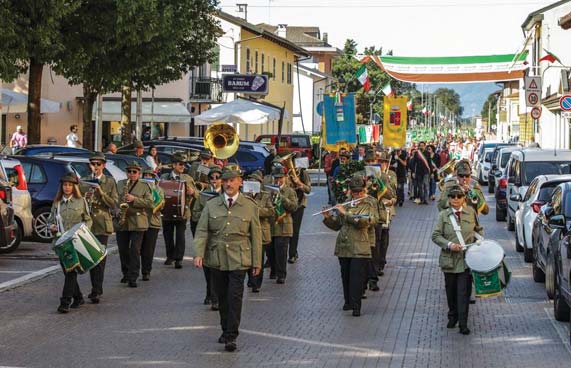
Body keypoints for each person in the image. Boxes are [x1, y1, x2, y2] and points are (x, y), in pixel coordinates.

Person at [193, 164, 262, 352]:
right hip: (217, 257)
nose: (228, 184)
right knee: (222, 298)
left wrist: (257, 262)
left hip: (240, 258)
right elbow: (202, 231)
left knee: (235, 297)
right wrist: (199, 253)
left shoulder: (249, 206)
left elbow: (256, 236)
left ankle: (232, 335)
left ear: (240, 182)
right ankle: (225, 329)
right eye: (225, 181)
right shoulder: (211, 205)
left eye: (232, 180)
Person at [432, 184, 483, 335]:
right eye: (452, 197)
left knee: (463, 292)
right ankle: (452, 314)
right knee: (451, 291)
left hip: (466, 260)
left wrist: (479, 241)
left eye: (459, 197)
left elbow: (478, 230)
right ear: (448, 199)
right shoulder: (443, 215)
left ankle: (463, 323)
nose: (455, 199)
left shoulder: (470, 212)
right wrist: (449, 244)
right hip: (449, 260)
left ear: (463, 198)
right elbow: (435, 235)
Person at [322, 176, 376, 317]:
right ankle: (348, 302)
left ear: (364, 189)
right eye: (354, 192)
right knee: (345, 276)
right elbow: (337, 225)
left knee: (356, 278)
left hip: (359, 248)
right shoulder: (346, 203)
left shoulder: (370, 203)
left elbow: (364, 222)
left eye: (359, 192)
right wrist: (328, 218)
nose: (356, 195)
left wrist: (346, 213)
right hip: (344, 246)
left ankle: (356, 305)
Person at [49, 172, 92, 313]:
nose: (67, 187)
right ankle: (78, 297)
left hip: (75, 242)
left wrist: (83, 232)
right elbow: (50, 220)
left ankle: (65, 302)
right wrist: (52, 227)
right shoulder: (57, 203)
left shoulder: (81, 201)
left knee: (71, 271)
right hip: (61, 243)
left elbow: (88, 220)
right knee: (68, 271)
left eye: (70, 185)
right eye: (65, 185)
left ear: (74, 187)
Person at [79, 152, 118, 304]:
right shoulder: (84, 181)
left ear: (104, 165)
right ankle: (95, 287)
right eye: (93, 164)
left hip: (102, 223)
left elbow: (114, 203)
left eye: (98, 164)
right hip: (88, 224)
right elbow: (79, 201)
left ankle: (97, 290)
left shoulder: (110, 182)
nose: (95, 167)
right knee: (90, 257)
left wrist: (101, 194)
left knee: (100, 257)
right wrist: (86, 198)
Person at [116, 161, 153, 288]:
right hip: (123, 221)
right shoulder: (120, 184)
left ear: (139, 173)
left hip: (138, 221)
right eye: (129, 172)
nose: (131, 174)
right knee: (123, 250)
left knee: (135, 250)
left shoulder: (144, 185)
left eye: (134, 172)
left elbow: (149, 203)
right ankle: (126, 273)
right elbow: (115, 199)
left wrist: (134, 199)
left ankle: (133, 276)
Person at [191, 165, 223, 310]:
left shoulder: (226, 195)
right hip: (207, 236)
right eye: (212, 178)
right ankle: (209, 292)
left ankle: (216, 297)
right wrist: (205, 214)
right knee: (207, 268)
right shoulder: (203, 195)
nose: (215, 180)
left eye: (217, 178)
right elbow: (194, 214)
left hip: (221, 236)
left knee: (218, 268)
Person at [160, 152, 198, 269]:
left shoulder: (187, 178)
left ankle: (179, 259)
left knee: (180, 236)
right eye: (180, 164)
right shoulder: (164, 178)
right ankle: (170, 256)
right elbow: (159, 192)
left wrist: (192, 192)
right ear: (173, 165)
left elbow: (197, 194)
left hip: (182, 211)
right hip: (167, 211)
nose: (183, 166)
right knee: (168, 234)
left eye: (184, 164)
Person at [243, 170, 274, 292]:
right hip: (247, 231)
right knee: (247, 258)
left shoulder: (265, 195)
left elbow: (271, 211)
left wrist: (256, 211)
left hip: (260, 231)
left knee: (258, 257)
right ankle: (251, 279)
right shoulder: (244, 196)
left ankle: (257, 283)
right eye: (251, 181)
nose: (252, 183)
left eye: (255, 181)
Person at [268, 166, 298, 283]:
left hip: (284, 225)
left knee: (281, 252)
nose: (278, 180)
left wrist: (282, 198)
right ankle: (274, 271)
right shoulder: (269, 190)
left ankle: (281, 274)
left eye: (280, 178)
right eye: (276, 178)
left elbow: (294, 207)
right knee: (270, 252)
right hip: (271, 225)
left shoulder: (290, 191)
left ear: (285, 178)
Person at [140, 169, 164, 281]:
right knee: (137, 248)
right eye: (146, 175)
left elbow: (159, 205)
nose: (148, 177)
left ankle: (146, 271)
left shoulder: (158, 190)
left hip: (152, 222)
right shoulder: (139, 188)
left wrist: (152, 190)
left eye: (150, 175)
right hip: (139, 221)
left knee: (148, 249)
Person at [288, 155, 311, 264]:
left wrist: (299, 183)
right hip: (288, 204)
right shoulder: (287, 173)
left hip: (299, 204)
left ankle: (292, 254)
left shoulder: (304, 173)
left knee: (295, 231)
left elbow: (308, 190)